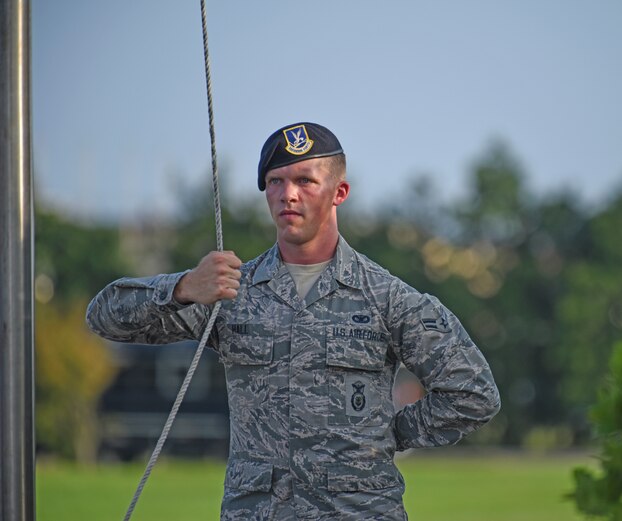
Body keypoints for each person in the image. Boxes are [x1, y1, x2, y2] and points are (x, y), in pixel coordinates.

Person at [86, 122, 501, 520]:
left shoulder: (386, 297)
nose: (288, 194)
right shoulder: (230, 293)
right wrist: (182, 289)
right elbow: (104, 317)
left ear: (339, 192)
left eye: (305, 181)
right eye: (275, 182)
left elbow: (473, 392)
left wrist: (390, 434)